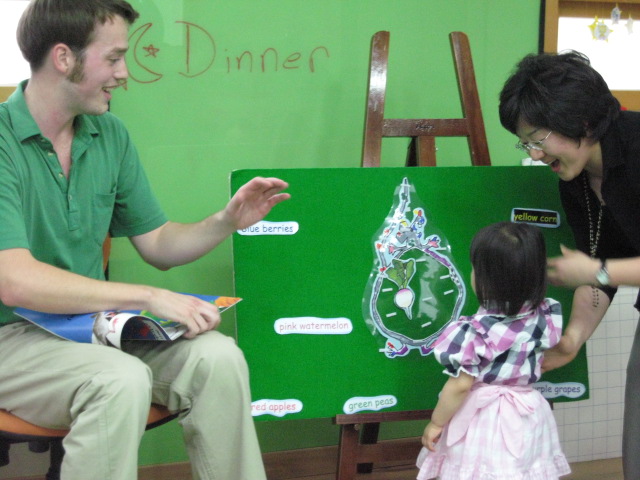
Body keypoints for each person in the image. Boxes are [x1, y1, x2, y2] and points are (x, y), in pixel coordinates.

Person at [0, 1, 290, 479]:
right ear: (64, 57)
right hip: (11, 335)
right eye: (114, 58)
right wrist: (149, 297)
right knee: (118, 377)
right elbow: (15, 282)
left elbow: (158, 245)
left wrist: (226, 220)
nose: (125, 73)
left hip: (91, 327)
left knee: (219, 358)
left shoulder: (109, 134)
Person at [499, 50, 640, 479]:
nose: (535, 153)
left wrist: (598, 271)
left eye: (537, 138)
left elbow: (598, 271)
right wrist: (573, 338)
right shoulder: (575, 179)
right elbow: (599, 270)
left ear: (581, 121)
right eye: (525, 142)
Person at [415, 222, 570, 480]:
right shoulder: (545, 316)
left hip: (485, 417)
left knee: (482, 471)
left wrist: (436, 422)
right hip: (529, 412)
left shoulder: (472, 332)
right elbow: (550, 349)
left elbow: (460, 386)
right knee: (522, 471)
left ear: (485, 278)